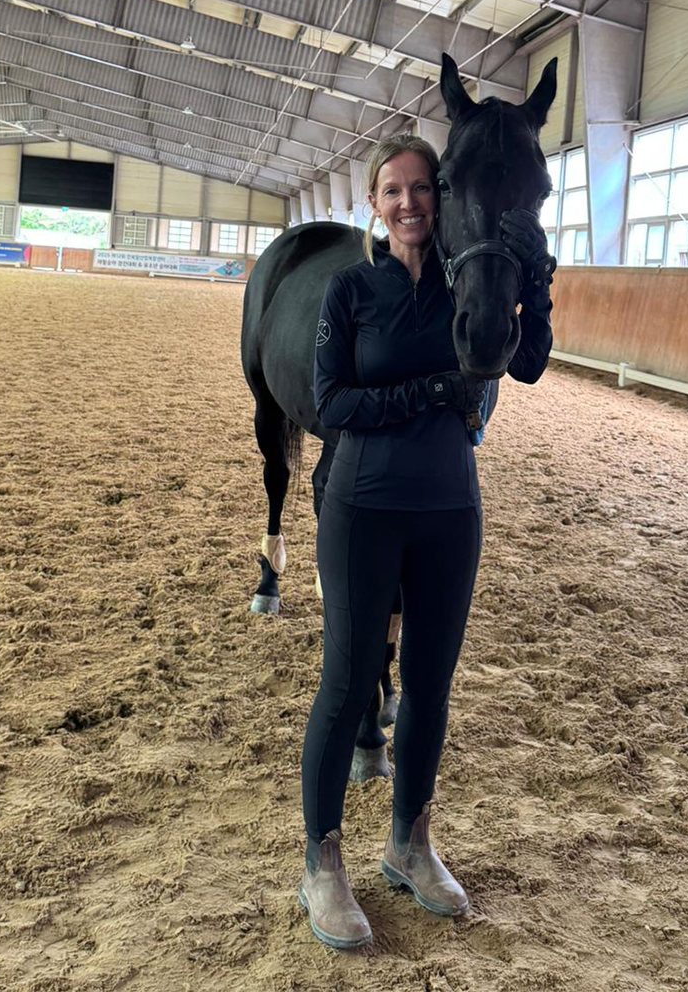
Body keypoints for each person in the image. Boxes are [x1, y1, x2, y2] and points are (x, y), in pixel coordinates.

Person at [298, 134, 555, 950]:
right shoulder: (350, 291)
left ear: (438, 199)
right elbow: (331, 403)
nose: (408, 202)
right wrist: (428, 393)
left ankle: (410, 841)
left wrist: (538, 281)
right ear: (373, 205)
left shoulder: (465, 289)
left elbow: (529, 365)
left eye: (421, 189)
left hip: (450, 512)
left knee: (432, 687)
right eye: (392, 191)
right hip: (362, 509)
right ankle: (322, 863)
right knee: (345, 685)